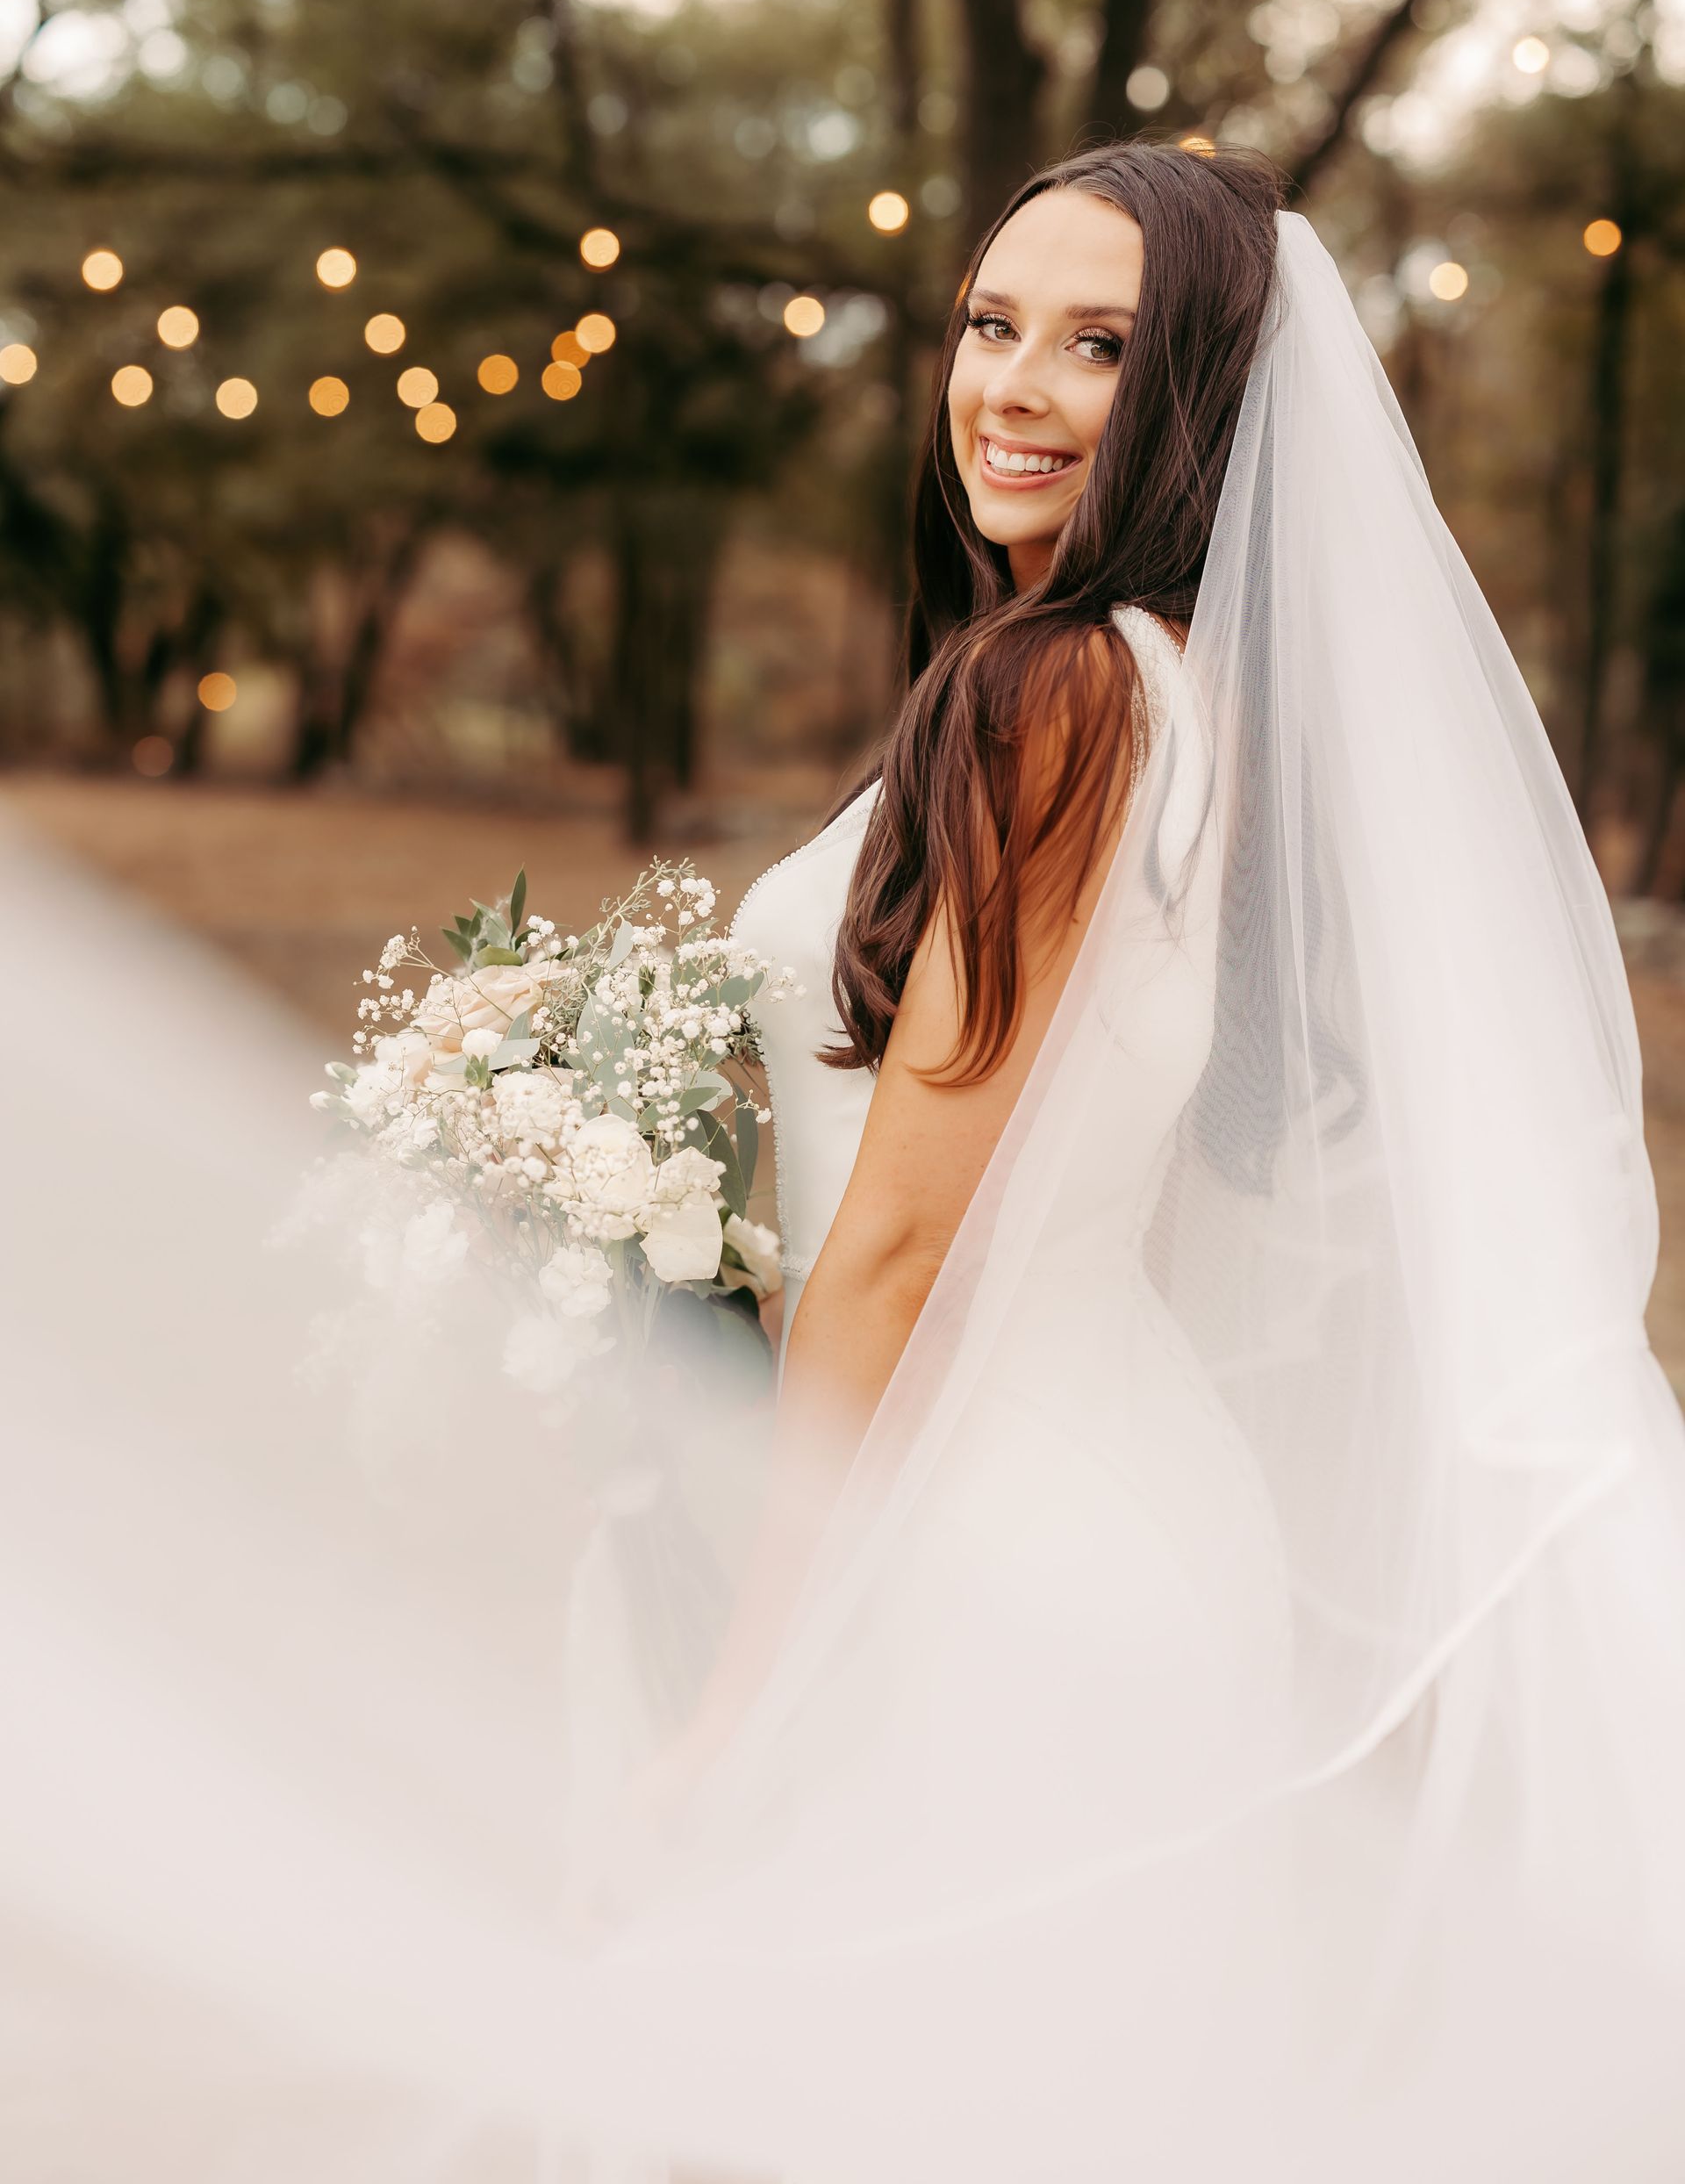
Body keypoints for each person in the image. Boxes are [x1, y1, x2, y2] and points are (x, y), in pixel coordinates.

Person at [5, 142, 1685, 2184]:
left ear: (1198, 403)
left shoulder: (1047, 697)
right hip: (1130, 1526)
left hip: (988, 1570)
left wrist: (742, 1691)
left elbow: (896, 1249)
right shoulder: (1185, 697)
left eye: (1099, 349)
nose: (1014, 388)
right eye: (992, 327)